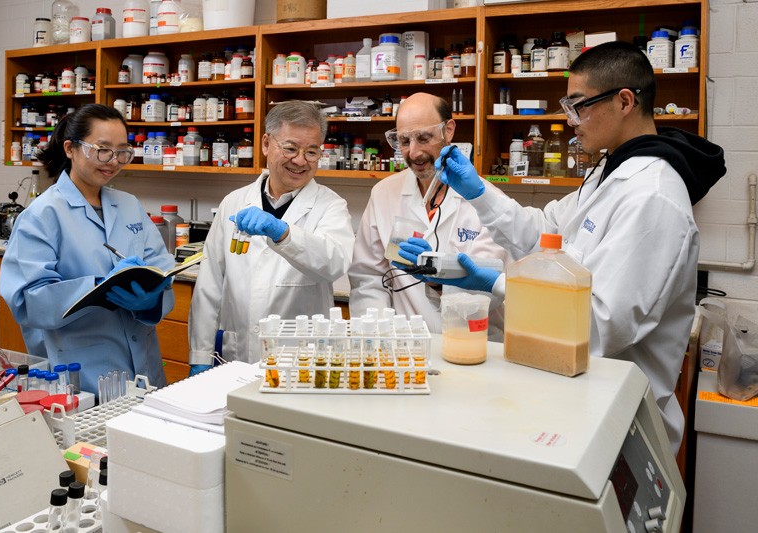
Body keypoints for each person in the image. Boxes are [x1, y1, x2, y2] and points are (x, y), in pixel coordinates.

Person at [405, 41, 726, 454]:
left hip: (620, 420)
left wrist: (496, 285)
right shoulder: (610, 173)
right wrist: (478, 193)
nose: (570, 119)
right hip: (578, 402)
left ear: (624, 101)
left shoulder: (652, 196)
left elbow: (598, 325)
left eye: (578, 106)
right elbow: (546, 234)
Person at [0, 104, 176, 394]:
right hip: (81, 374)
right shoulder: (42, 214)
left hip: (145, 368)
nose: (113, 161)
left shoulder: (129, 205)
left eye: (122, 151)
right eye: (102, 150)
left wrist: (151, 300)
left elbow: (162, 266)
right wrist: (98, 288)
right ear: (70, 148)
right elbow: (27, 301)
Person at [188, 100, 355, 373]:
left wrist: (284, 234)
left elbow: (334, 263)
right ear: (266, 144)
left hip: (301, 363)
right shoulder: (233, 202)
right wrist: (200, 354)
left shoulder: (331, 206)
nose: (300, 161)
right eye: (290, 148)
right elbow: (210, 286)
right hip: (237, 356)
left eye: (311, 152)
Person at [349, 92, 509, 335]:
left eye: (424, 138)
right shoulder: (384, 194)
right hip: (404, 344)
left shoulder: (488, 202)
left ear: (448, 130)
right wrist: (379, 336)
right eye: (404, 141)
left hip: (471, 342)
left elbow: (490, 291)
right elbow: (368, 279)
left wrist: (437, 279)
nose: (414, 153)